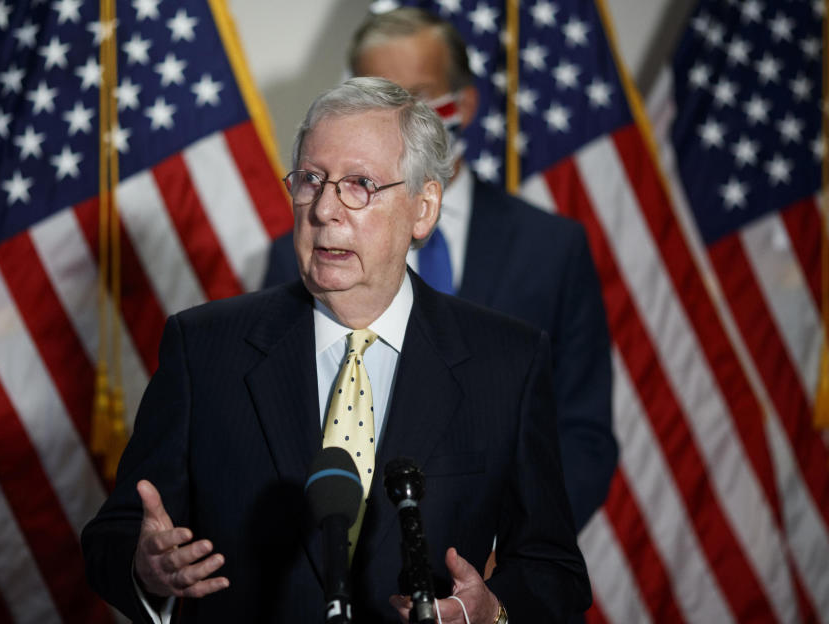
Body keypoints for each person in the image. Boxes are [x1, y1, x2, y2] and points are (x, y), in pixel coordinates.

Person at [82, 77, 590, 624]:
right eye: (311, 180)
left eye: (359, 185)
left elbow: (553, 569)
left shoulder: (506, 362)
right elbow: (118, 535)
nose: (324, 209)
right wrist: (147, 567)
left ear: (423, 210)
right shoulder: (204, 348)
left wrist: (493, 616)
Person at [263, 8, 617, 535]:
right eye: (380, 95)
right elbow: (275, 422)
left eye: (418, 98)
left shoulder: (554, 247)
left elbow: (582, 433)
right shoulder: (305, 250)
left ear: (466, 103)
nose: (400, 120)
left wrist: (512, 553)